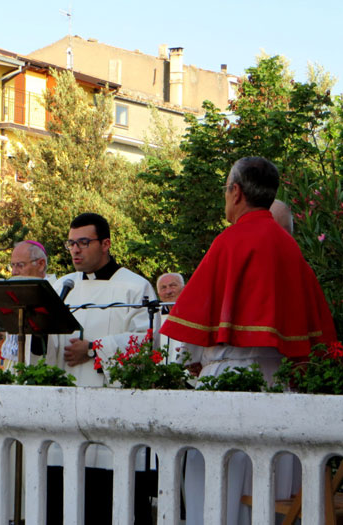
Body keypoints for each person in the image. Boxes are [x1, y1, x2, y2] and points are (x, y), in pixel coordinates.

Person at [160, 157, 336, 525]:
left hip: (227, 387)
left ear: (236, 192)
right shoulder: (292, 251)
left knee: (213, 491)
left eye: (226, 190)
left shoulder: (230, 242)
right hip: (283, 393)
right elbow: (317, 337)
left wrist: (193, 360)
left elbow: (193, 329)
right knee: (271, 498)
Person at [35, 213, 155, 524]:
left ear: (106, 244)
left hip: (112, 418)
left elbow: (147, 344)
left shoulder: (134, 287)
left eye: (83, 243)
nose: (75, 250)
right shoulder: (62, 288)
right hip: (64, 418)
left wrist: (94, 348)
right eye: (71, 243)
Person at [0, 240, 55, 370]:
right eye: (13, 266)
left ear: (40, 264)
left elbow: (54, 346)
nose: (14, 272)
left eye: (20, 265)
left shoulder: (57, 293)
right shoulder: (5, 295)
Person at [155, 272, 186, 363]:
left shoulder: (194, 314)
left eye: (173, 286)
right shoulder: (154, 316)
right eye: (163, 288)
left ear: (184, 288)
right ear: (158, 293)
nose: (168, 292)